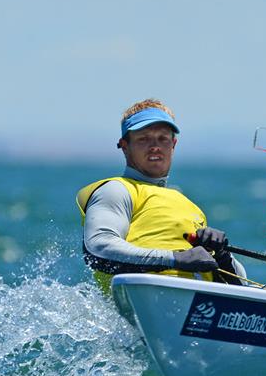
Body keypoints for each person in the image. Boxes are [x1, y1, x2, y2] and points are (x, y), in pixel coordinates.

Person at [76, 99, 246, 291]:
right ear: (125, 146)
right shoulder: (116, 190)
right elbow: (98, 247)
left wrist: (222, 255)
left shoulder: (191, 207)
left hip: (200, 307)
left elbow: (242, 285)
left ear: (173, 144)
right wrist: (174, 259)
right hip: (145, 303)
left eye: (162, 139)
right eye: (143, 139)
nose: (155, 146)